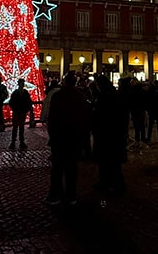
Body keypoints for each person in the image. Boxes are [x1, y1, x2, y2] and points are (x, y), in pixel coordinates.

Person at [45, 72, 91, 206]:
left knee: (57, 168)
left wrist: (52, 135)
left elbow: (52, 118)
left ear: (64, 82)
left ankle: (55, 195)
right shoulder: (80, 97)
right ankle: (71, 195)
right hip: (73, 138)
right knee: (71, 168)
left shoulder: (57, 96)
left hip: (59, 137)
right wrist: (82, 137)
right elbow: (84, 119)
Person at [91, 74, 127, 196]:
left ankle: (115, 184)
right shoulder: (113, 95)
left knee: (109, 159)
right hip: (112, 132)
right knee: (110, 160)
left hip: (107, 132)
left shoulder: (105, 97)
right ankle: (107, 181)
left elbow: (102, 114)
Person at [8, 78, 32, 150]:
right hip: (18, 112)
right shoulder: (19, 93)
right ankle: (15, 142)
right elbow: (12, 102)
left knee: (19, 127)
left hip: (20, 112)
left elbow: (28, 102)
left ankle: (18, 142)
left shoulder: (20, 93)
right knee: (17, 127)